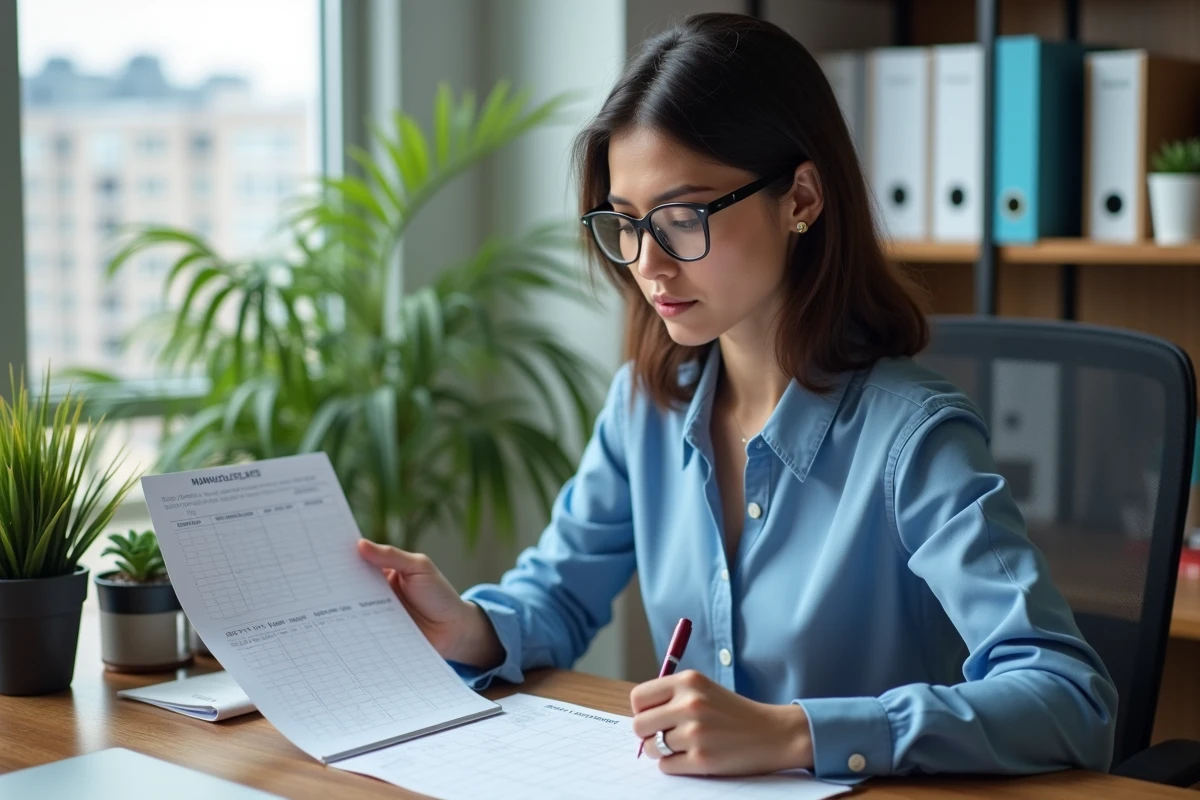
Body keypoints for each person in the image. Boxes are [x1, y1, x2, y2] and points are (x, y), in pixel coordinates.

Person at [357, 11, 1117, 782]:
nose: (648, 264)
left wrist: (795, 734)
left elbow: (1069, 698)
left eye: (683, 218)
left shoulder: (912, 439)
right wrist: (473, 629)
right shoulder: (643, 409)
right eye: (625, 224)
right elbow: (556, 595)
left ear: (801, 199)